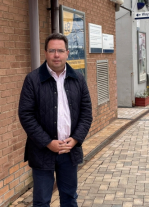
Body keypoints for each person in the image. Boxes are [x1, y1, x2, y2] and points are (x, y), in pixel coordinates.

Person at [18, 33, 93, 207]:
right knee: (42, 201)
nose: (56, 55)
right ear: (45, 53)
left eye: (60, 50)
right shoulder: (32, 80)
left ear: (67, 53)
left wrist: (75, 139)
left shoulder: (78, 79)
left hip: (69, 150)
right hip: (42, 151)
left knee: (69, 198)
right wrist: (47, 142)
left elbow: (86, 113)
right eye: (52, 50)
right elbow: (26, 115)